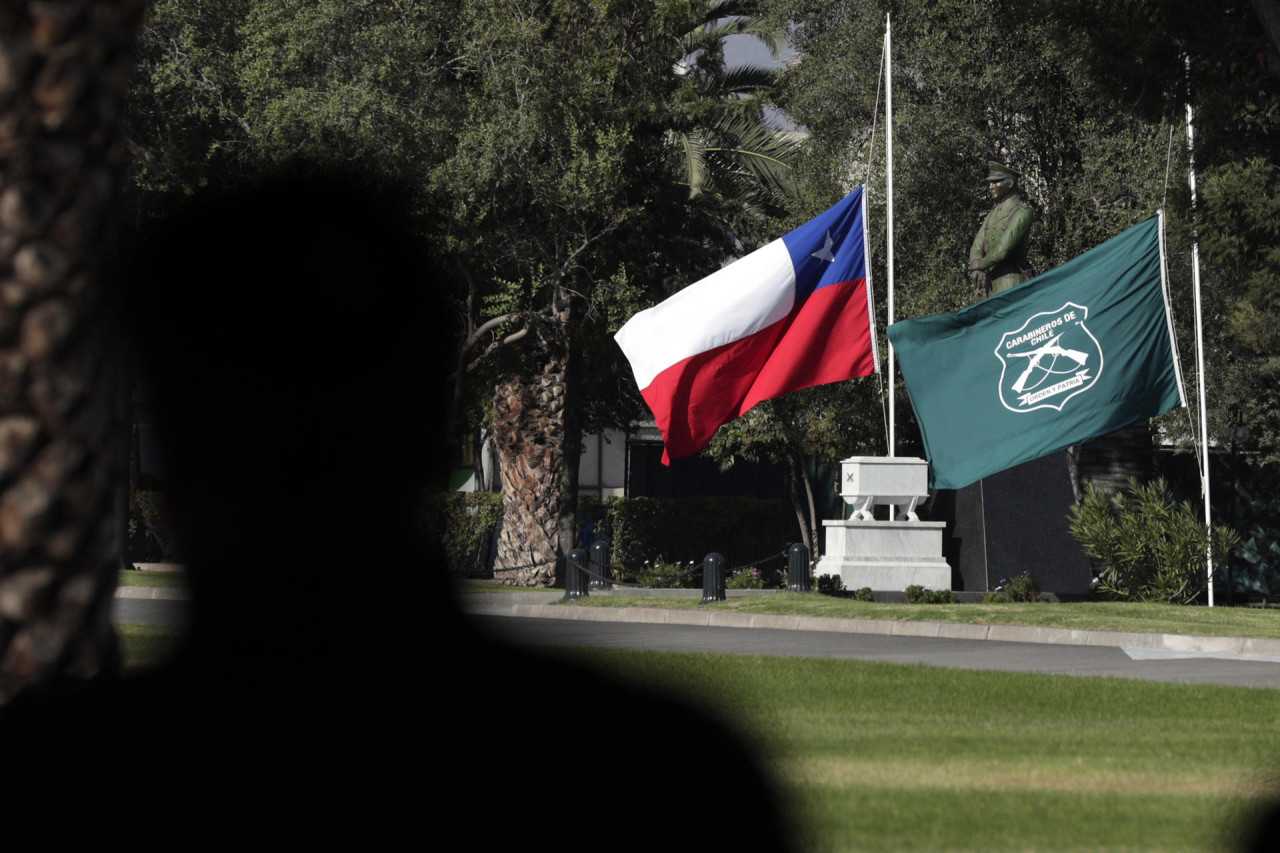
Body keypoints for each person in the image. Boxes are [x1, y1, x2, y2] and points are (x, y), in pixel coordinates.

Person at [968, 160, 1034, 300]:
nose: (991, 187)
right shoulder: (991, 214)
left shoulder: (1023, 213)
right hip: (990, 289)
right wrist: (976, 266)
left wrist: (978, 264)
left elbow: (1002, 251)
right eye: (990, 183)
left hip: (1012, 286)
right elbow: (977, 245)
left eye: (996, 182)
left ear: (1009, 184)